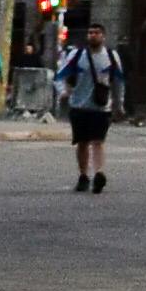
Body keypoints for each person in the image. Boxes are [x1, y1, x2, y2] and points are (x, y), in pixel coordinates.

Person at [58, 16, 120, 196]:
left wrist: (119, 103)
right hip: (79, 106)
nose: (93, 36)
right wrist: (63, 91)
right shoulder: (76, 55)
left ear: (103, 36)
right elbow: (61, 75)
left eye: (97, 33)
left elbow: (118, 81)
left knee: (98, 141)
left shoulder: (111, 56)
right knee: (82, 142)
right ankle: (83, 175)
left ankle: (99, 173)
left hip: (101, 107)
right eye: (90, 33)